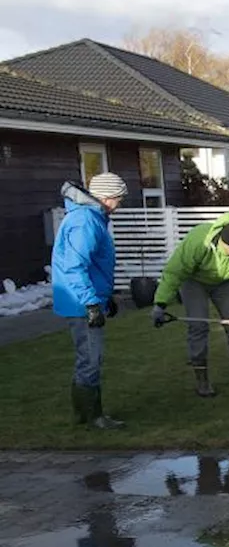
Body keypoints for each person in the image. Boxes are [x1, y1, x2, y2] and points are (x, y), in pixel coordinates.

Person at [151, 212, 229, 396]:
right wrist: (160, 304)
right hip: (194, 281)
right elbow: (174, 272)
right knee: (198, 326)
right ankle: (202, 382)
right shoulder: (198, 241)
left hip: (225, 283)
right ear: (224, 243)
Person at [52, 173, 127, 429]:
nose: (120, 204)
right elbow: (75, 267)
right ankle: (93, 417)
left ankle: (83, 415)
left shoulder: (91, 217)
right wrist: (92, 303)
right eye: (119, 198)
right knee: (90, 358)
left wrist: (106, 298)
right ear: (107, 198)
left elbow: (94, 265)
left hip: (85, 298)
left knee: (87, 357)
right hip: (80, 302)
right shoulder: (85, 221)